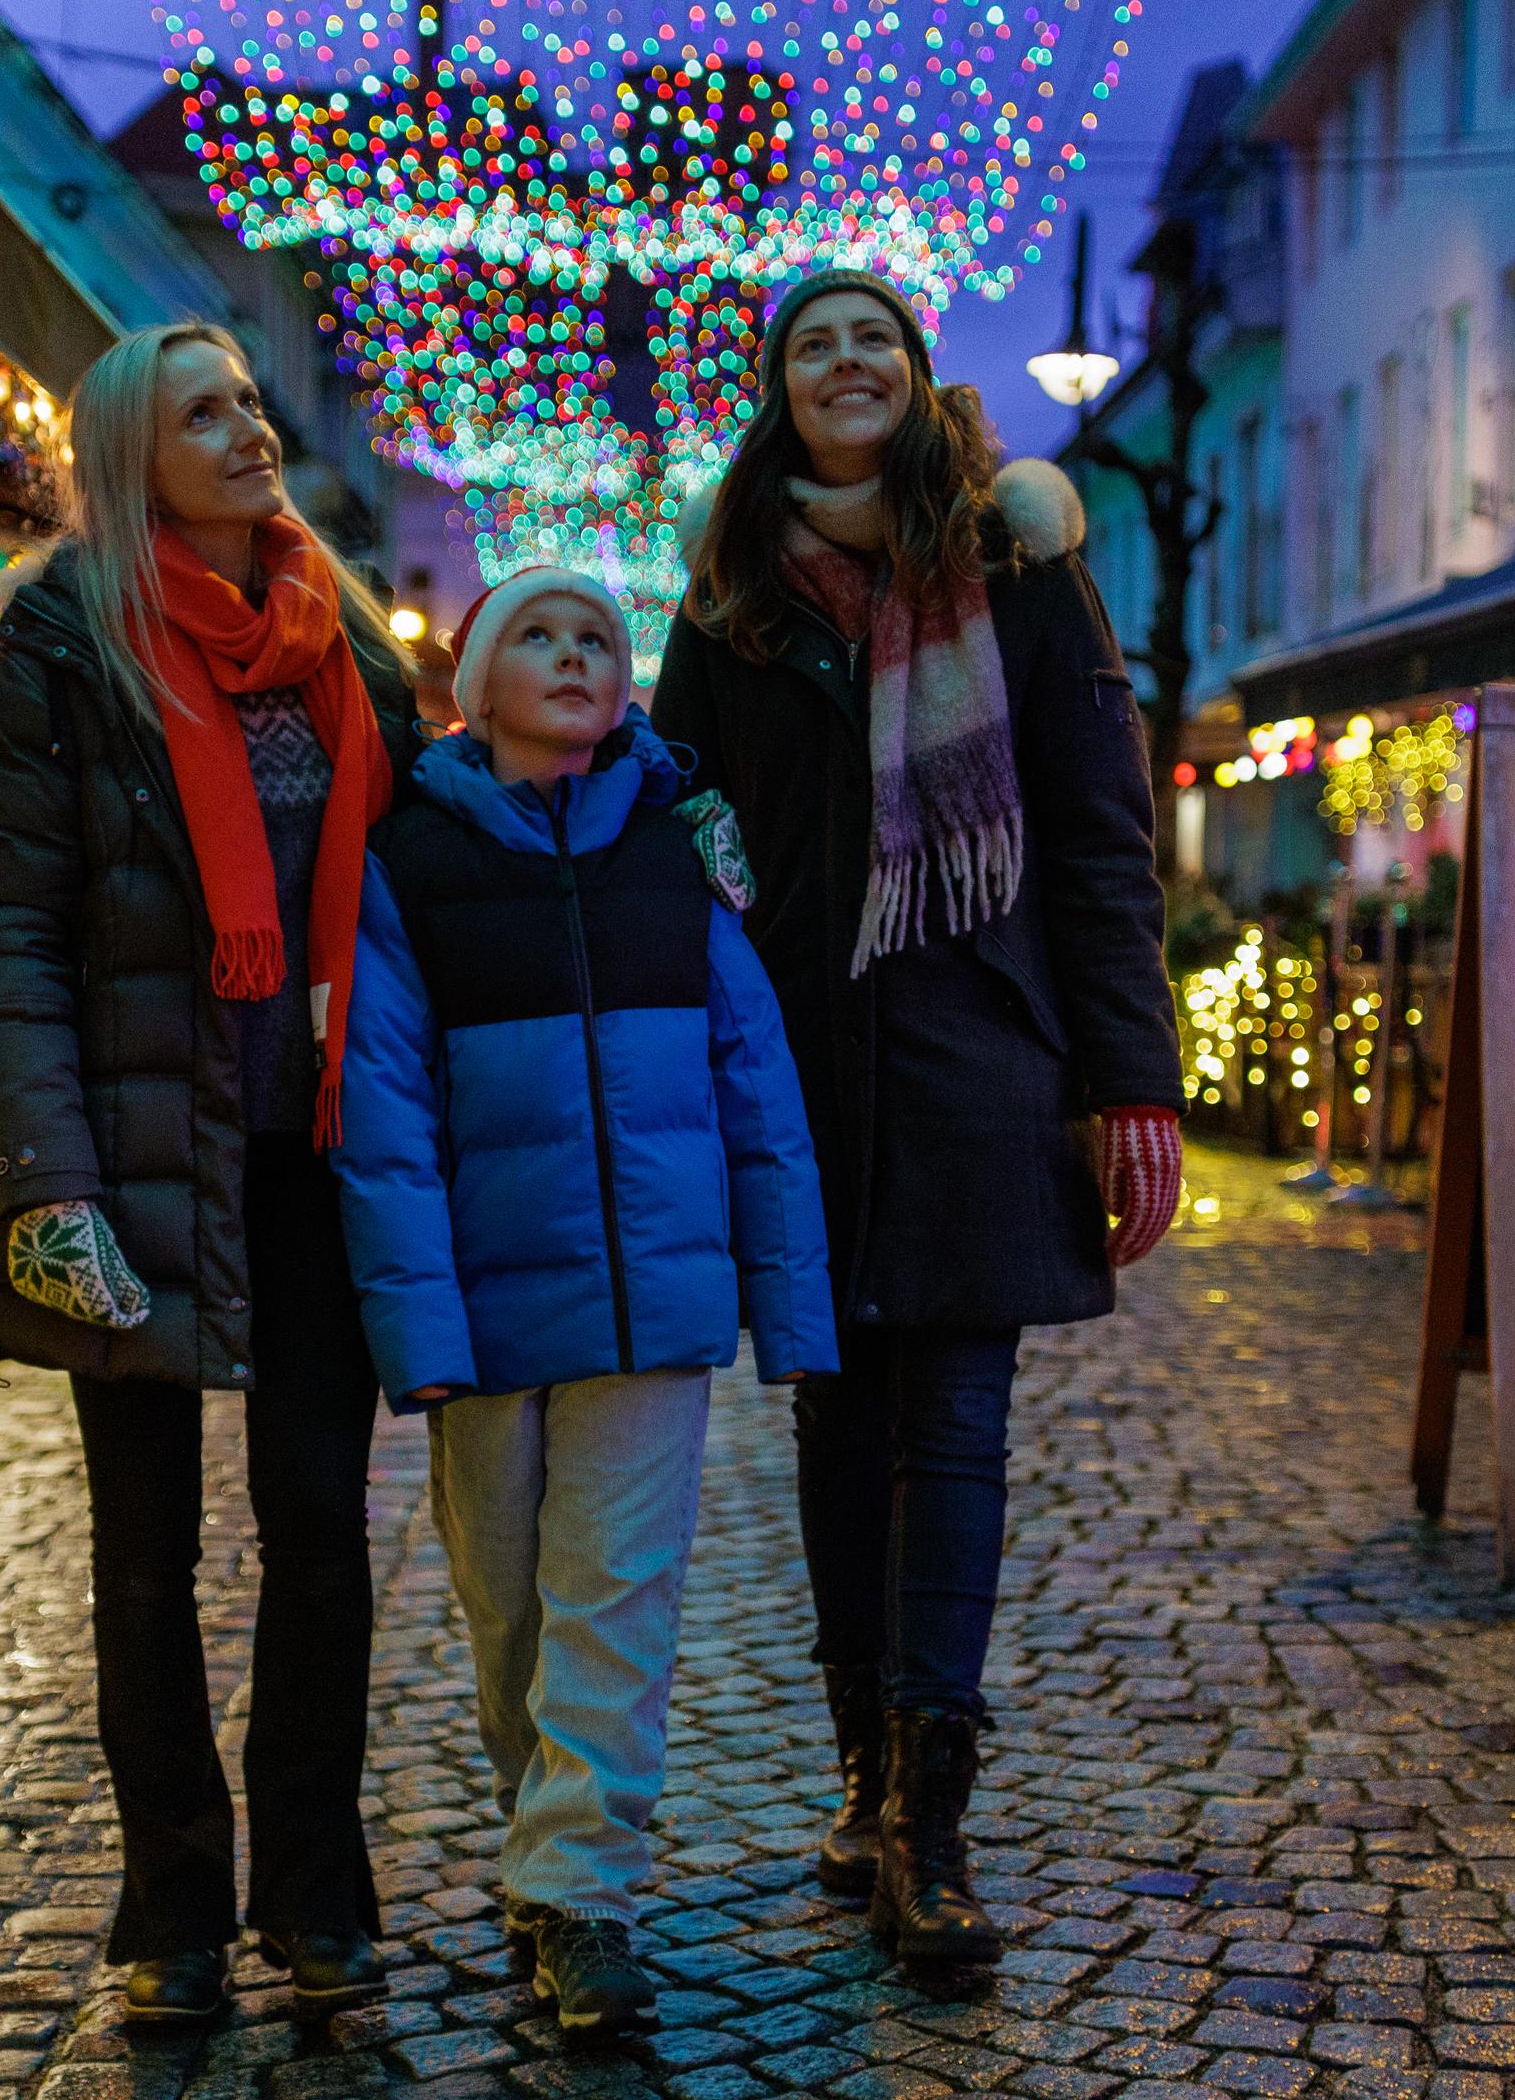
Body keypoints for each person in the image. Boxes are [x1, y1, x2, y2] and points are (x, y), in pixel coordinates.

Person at [650, 268, 1185, 1972]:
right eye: (813, 345)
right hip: (802, 1069)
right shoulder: (730, 597)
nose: (845, 362)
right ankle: (863, 1774)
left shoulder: (1024, 575)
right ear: (780, 389)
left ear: (914, 371)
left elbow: (1103, 837)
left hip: (978, 1067)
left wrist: (1131, 1075)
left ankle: (932, 1826)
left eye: (871, 337)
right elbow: (679, 825)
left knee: (951, 1429)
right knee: (834, 1428)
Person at [0, 322, 424, 2028]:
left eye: (246, 400)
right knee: (142, 1552)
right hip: (135, 1156)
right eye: (200, 412)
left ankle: (317, 1898)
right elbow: (9, 938)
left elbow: (424, 870)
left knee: (319, 1532)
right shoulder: (64, 653)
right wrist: (47, 1185)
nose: (248, 430)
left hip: (312, 1155)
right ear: (127, 455)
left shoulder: (350, 646)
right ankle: (169, 1912)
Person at [329, 567, 835, 2037]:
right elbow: (383, 1108)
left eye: (598, 640)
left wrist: (787, 1306)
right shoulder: (410, 862)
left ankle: (584, 1899)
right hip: (489, 1316)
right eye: (538, 639)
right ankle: (542, 1852)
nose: (572, 657)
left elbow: (757, 1082)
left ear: (627, 686)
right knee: (509, 1614)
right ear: (474, 686)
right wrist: (417, 1330)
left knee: (615, 1603)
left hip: (655, 1310)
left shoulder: (678, 855)